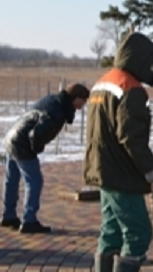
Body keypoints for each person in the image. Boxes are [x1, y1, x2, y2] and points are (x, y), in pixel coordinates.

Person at [84, 32, 153, 272]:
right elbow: (131, 137)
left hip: (101, 168)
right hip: (120, 173)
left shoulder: (103, 82)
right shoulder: (130, 88)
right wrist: (150, 168)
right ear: (138, 59)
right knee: (138, 231)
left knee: (111, 231)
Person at [2, 83, 90, 233]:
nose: (85, 103)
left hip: (13, 137)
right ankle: (29, 220)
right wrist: (35, 148)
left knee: (12, 179)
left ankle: (8, 215)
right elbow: (36, 133)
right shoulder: (57, 110)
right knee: (34, 180)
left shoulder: (53, 101)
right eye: (84, 100)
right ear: (76, 98)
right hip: (23, 143)